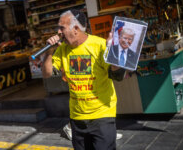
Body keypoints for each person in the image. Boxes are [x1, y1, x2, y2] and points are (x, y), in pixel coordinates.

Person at [41, 9, 125, 150]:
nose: (58, 33)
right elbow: (46, 74)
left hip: (102, 115)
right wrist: (49, 51)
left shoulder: (100, 45)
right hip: (77, 117)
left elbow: (118, 75)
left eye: (62, 28)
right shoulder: (62, 49)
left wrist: (114, 54)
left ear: (75, 29)